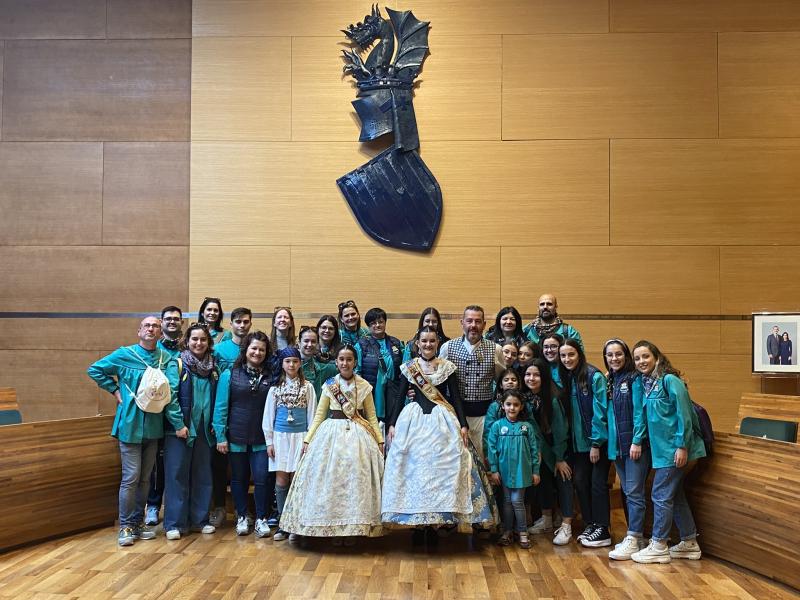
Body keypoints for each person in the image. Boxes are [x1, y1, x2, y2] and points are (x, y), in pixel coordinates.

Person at [382, 326, 497, 540]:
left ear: (437, 343)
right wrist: (392, 423)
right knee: (415, 470)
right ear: (417, 343)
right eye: (424, 341)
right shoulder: (409, 367)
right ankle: (418, 524)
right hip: (413, 422)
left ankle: (438, 522)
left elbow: (455, 397)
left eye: (432, 341)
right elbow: (399, 396)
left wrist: (463, 424)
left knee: (442, 468)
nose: (428, 344)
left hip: (442, 422)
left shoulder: (447, 367)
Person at [280, 344, 384, 544]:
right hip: (331, 436)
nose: (345, 363)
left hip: (358, 437)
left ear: (355, 362)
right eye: (341, 359)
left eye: (349, 359)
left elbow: (371, 416)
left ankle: (353, 529)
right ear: (336, 362)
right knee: (331, 481)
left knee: (355, 481)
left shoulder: (364, 385)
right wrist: (308, 439)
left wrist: (379, 439)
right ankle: (333, 529)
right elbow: (319, 415)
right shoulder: (329, 385)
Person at [87, 316, 177, 546]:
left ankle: (137, 522)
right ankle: (126, 526)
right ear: (139, 331)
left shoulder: (165, 358)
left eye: (155, 326)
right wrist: (115, 391)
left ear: (160, 333)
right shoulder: (124, 354)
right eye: (147, 325)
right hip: (129, 424)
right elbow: (95, 370)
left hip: (154, 426)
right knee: (131, 477)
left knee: (145, 479)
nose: (151, 329)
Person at [630, 341, 705, 564]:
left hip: (677, 449)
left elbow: (685, 414)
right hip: (662, 452)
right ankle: (689, 542)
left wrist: (682, 445)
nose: (641, 361)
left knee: (660, 494)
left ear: (657, 357)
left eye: (645, 356)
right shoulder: (645, 384)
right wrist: (636, 440)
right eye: (637, 358)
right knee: (674, 494)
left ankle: (659, 545)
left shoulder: (669, 380)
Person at [213, 331, 274, 538]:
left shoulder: (272, 377)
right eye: (254, 348)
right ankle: (242, 516)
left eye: (262, 350)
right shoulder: (229, 374)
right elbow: (221, 406)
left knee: (262, 478)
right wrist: (220, 436)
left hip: (262, 438)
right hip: (236, 436)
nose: (257, 352)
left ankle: (261, 518)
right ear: (246, 350)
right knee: (238, 479)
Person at [162, 323, 219, 540]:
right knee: (177, 476)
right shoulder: (177, 364)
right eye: (194, 339)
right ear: (187, 341)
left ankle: (199, 520)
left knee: (203, 475)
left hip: (204, 431)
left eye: (203, 339)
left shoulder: (213, 369)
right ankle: (174, 523)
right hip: (180, 430)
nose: (199, 343)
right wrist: (178, 424)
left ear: (208, 342)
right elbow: (170, 397)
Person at [559, 337, 611, 548]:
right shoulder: (567, 377)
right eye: (563, 355)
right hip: (577, 445)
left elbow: (600, 412)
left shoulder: (593, 376)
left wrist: (596, 444)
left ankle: (603, 528)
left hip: (596, 443)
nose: (567, 359)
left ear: (579, 354)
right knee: (580, 482)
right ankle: (591, 524)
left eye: (571, 354)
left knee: (598, 485)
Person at [263, 347, 317, 542]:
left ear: (300, 363)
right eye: (288, 361)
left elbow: (313, 415)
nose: (291, 365)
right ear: (282, 364)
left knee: (296, 479)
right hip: (280, 438)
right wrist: (269, 442)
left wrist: (308, 440)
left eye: (295, 361)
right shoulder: (275, 388)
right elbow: (268, 417)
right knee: (281, 479)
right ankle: (283, 522)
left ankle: (296, 522)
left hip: (300, 437)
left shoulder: (307, 387)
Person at [602, 339, 650, 561]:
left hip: (634, 446)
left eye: (618, 354)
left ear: (626, 356)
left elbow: (640, 412)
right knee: (629, 492)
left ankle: (634, 536)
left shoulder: (634, 379)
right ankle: (636, 538)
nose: (614, 358)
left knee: (635, 493)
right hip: (618, 447)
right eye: (610, 355)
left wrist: (637, 440)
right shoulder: (611, 380)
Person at [439, 305, 504, 457]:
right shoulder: (447, 347)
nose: (473, 325)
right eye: (469, 321)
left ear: (484, 324)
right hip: (455, 417)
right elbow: (438, 381)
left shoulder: (496, 349)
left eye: (478, 321)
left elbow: (502, 382)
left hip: (484, 416)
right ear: (462, 323)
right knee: (458, 460)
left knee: (483, 458)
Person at [523, 360, 575, 545]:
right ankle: (546, 520)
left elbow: (561, 431)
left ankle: (567, 525)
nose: (531, 378)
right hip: (542, 450)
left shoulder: (553, 398)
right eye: (528, 374)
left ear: (544, 377)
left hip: (560, 450)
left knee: (563, 481)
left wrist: (560, 458)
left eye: (536, 375)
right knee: (543, 481)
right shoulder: (527, 398)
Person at [144, 305, 183, 527]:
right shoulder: (153, 349)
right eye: (168, 319)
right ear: (161, 323)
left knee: (176, 467)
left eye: (176, 319)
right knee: (156, 464)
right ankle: (152, 505)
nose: (172, 322)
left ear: (182, 323)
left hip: (179, 414)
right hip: (156, 415)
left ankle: (175, 510)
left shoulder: (186, 348)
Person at [487, 390, 541, 549]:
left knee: (517, 501)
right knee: (507, 502)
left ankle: (522, 531)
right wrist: (494, 469)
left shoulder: (527, 427)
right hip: (503, 471)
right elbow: (491, 449)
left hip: (522, 472)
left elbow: (534, 450)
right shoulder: (497, 426)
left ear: (521, 406)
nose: (512, 408)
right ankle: (508, 531)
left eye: (516, 405)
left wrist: (536, 471)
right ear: (503, 406)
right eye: (508, 404)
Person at [356, 308, 404, 425]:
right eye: (373, 323)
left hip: (393, 392)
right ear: (368, 326)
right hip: (371, 393)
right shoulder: (361, 345)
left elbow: (405, 368)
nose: (377, 325)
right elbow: (357, 371)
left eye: (381, 322)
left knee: (392, 425)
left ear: (385, 323)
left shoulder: (396, 343)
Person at [298, 325, 338, 398]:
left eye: (313, 341)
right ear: (299, 342)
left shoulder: (325, 369)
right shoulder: (289, 365)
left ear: (317, 344)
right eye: (306, 341)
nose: (310, 344)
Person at [214, 307, 252, 372]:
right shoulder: (218, 349)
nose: (242, 325)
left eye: (246, 322)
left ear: (250, 324)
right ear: (231, 324)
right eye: (238, 322)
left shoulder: (255, 350)